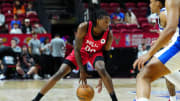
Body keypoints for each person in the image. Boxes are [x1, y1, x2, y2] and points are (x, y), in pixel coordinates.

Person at [32, 9, 118, 101]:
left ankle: (114, 99)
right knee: (59, 73)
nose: (108, 24)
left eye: (109, 22)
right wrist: (82, 70)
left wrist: (103, 76)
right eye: (105, 22)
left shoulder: (109, 34)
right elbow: (76, 49)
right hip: (81, 52)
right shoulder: (84, 27)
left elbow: (106, 53)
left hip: (96, 53)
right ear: (98, 20)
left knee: (101, 69)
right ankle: (36, 99)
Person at [133, 0, 180, 101]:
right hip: (174, 46)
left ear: (158, 3)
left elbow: (170, 31)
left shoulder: (164, 12)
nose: (149, 5)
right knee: (165, 71)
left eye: (151, 2)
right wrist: (161, 42)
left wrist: (150, 53)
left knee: (143, 76)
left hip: (177, 47)